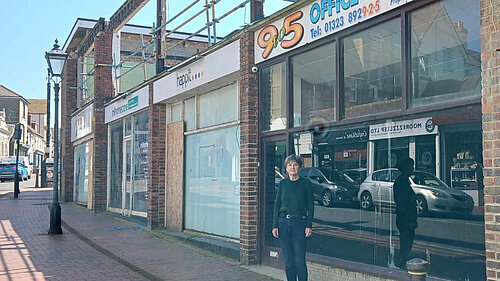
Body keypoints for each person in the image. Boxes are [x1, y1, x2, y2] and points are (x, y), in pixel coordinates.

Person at [272, 155, 314, 281]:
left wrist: (309, 225)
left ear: (299, 167)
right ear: (286, 168)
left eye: (295, 165)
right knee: (289, 261)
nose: (292, 167)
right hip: (284, 223)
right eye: (289, 165)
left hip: (300, 223)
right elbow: (277, 205)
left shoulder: (305, 183)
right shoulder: (283, 184)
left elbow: (310, 206)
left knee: (299, 260)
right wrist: (275, 225)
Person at [393, 157, 417, 270]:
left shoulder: (404, 181)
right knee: (406, 244)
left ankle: (402, 262)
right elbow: (402, 202)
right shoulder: (401, 182)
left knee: (407, 243)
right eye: (411, 166)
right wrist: (409, 220)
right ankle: (400, 263)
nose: (413, 168)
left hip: (407, 219)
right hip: (405, 219)